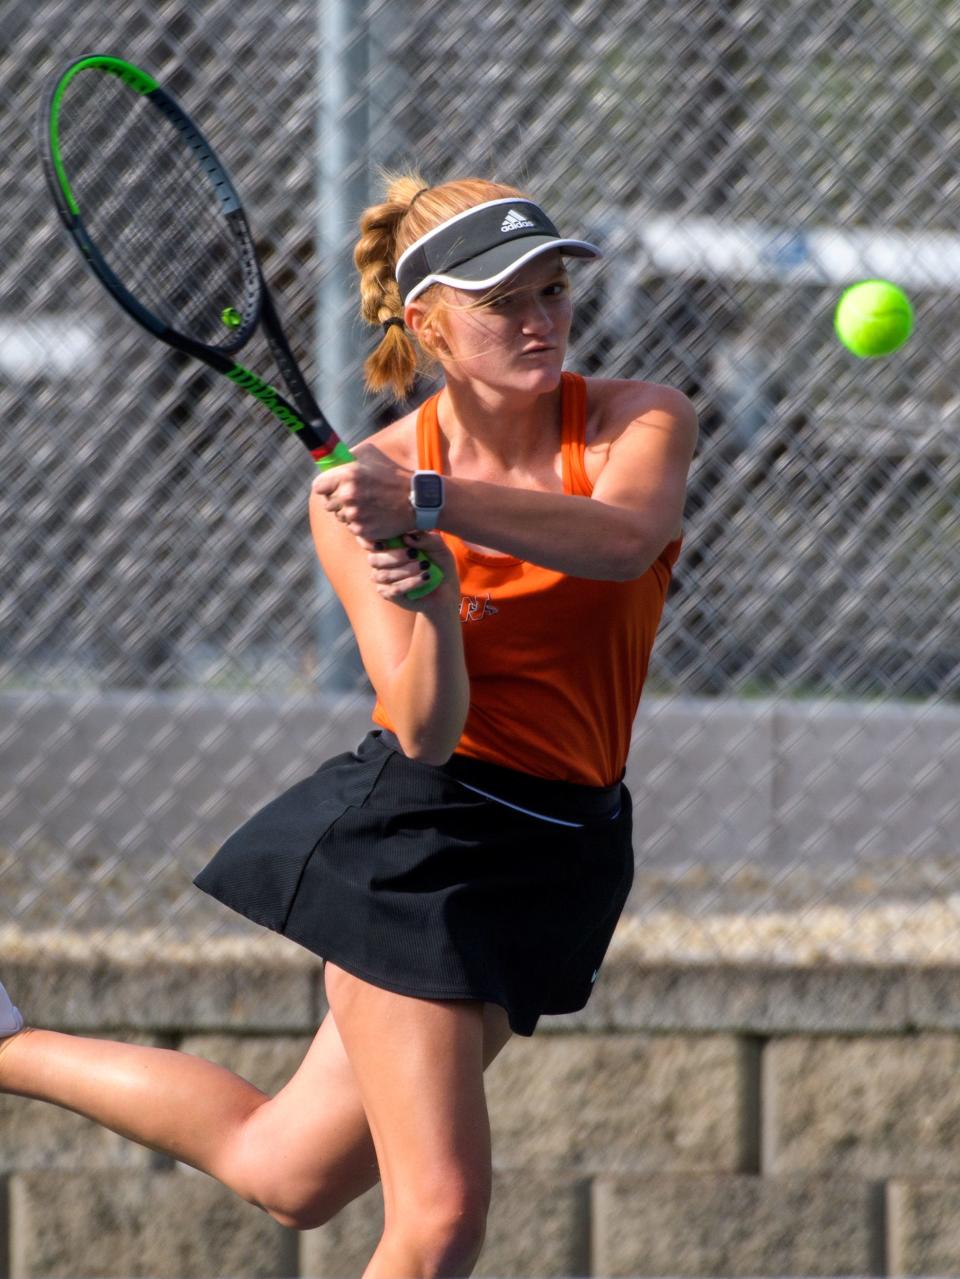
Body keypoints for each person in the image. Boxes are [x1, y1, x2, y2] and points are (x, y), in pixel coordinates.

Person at [0, 174, 697, 1279]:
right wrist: (430, 604)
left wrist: (429, 504)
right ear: (425, 325)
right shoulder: (351, 496)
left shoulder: (636, 417)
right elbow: (426, 729)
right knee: (438, 1221)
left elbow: (620, 540)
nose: (540, 319)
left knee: (287, 1168)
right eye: (500, 299)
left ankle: (6, 1045)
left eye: (553, 289)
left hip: (565, 848)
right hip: (423, 845)